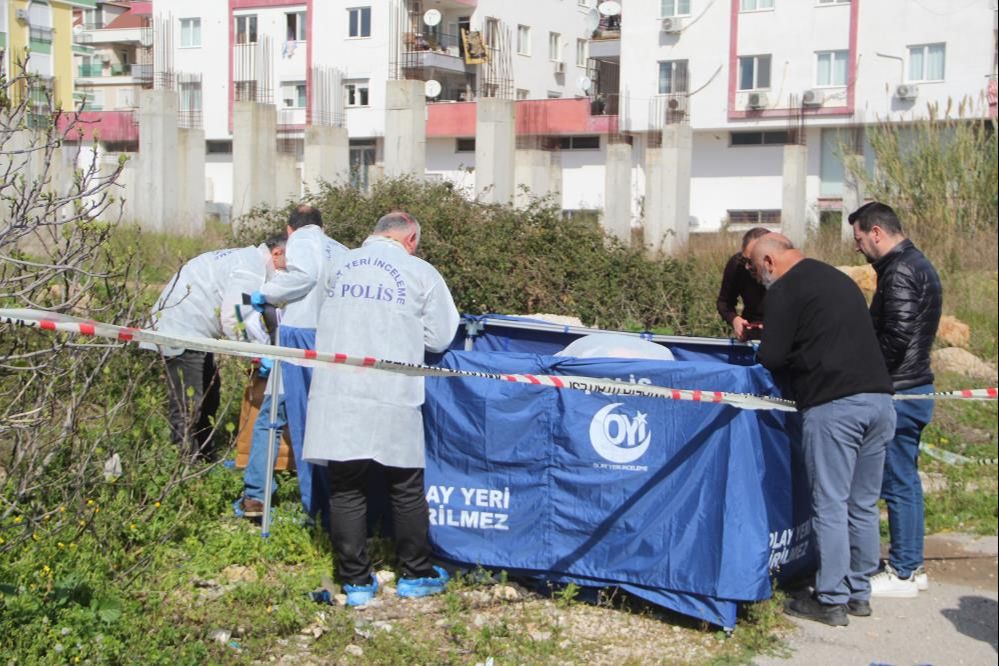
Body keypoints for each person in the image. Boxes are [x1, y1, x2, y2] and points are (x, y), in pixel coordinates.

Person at [302, 211, 460, 607]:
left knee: (346, 485)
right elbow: (440, 337)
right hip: (391, 390)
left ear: (375, 234)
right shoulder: (420, 272)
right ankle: (415, 573)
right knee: (405, 485)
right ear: (410, 240)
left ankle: (356, 582)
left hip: (338, 388)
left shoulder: (337, 266)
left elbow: (321, 316)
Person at [752, 233, 895, 627]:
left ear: (768, 262)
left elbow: (771, 355)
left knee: (830, 503)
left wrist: (759, 338)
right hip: (881, 402)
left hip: (835, 405)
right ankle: (858, 593)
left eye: (752, 266)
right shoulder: (837, 279)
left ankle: (831, 599)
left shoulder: (785, 288)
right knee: (863, 503)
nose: (755, 275)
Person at [849, 202, 942, 598]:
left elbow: (897, 335)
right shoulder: (916, 263)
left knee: (898, 482)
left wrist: (869, 375)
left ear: (876, 233)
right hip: (914, 385)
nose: (857, 248)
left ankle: (904, 571)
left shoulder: (901, 270)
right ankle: (910, 565)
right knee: (906, 480)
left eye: (858, 239)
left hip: (901, 390)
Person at [245, 204, 347, 518]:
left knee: (274, 415)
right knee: (322, 418)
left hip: (298, 341)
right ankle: (329, 498)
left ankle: (257, 496)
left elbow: (303, 276)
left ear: (290, 233)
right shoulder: (338, 249)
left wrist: (267, 293)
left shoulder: (299, 245)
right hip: (330, 339)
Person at [145, 235, 287, 460]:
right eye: (287, 267)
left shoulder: (248, 259)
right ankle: (183, 465)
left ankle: (204, 456)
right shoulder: (251, 268)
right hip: (182, 328)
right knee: (188, 403)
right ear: (277, 254)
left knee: (210, 395)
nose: (286, 274)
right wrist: (255, 353)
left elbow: (242, 313)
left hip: (196, 331)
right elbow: (233, 318)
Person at [717, 227, 770, 341]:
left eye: (752, 261)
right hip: (751, 334)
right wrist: (734, 319)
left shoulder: (790, 272)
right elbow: (724, 302)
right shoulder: (737, 265)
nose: (747, 266)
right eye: (745, 260)